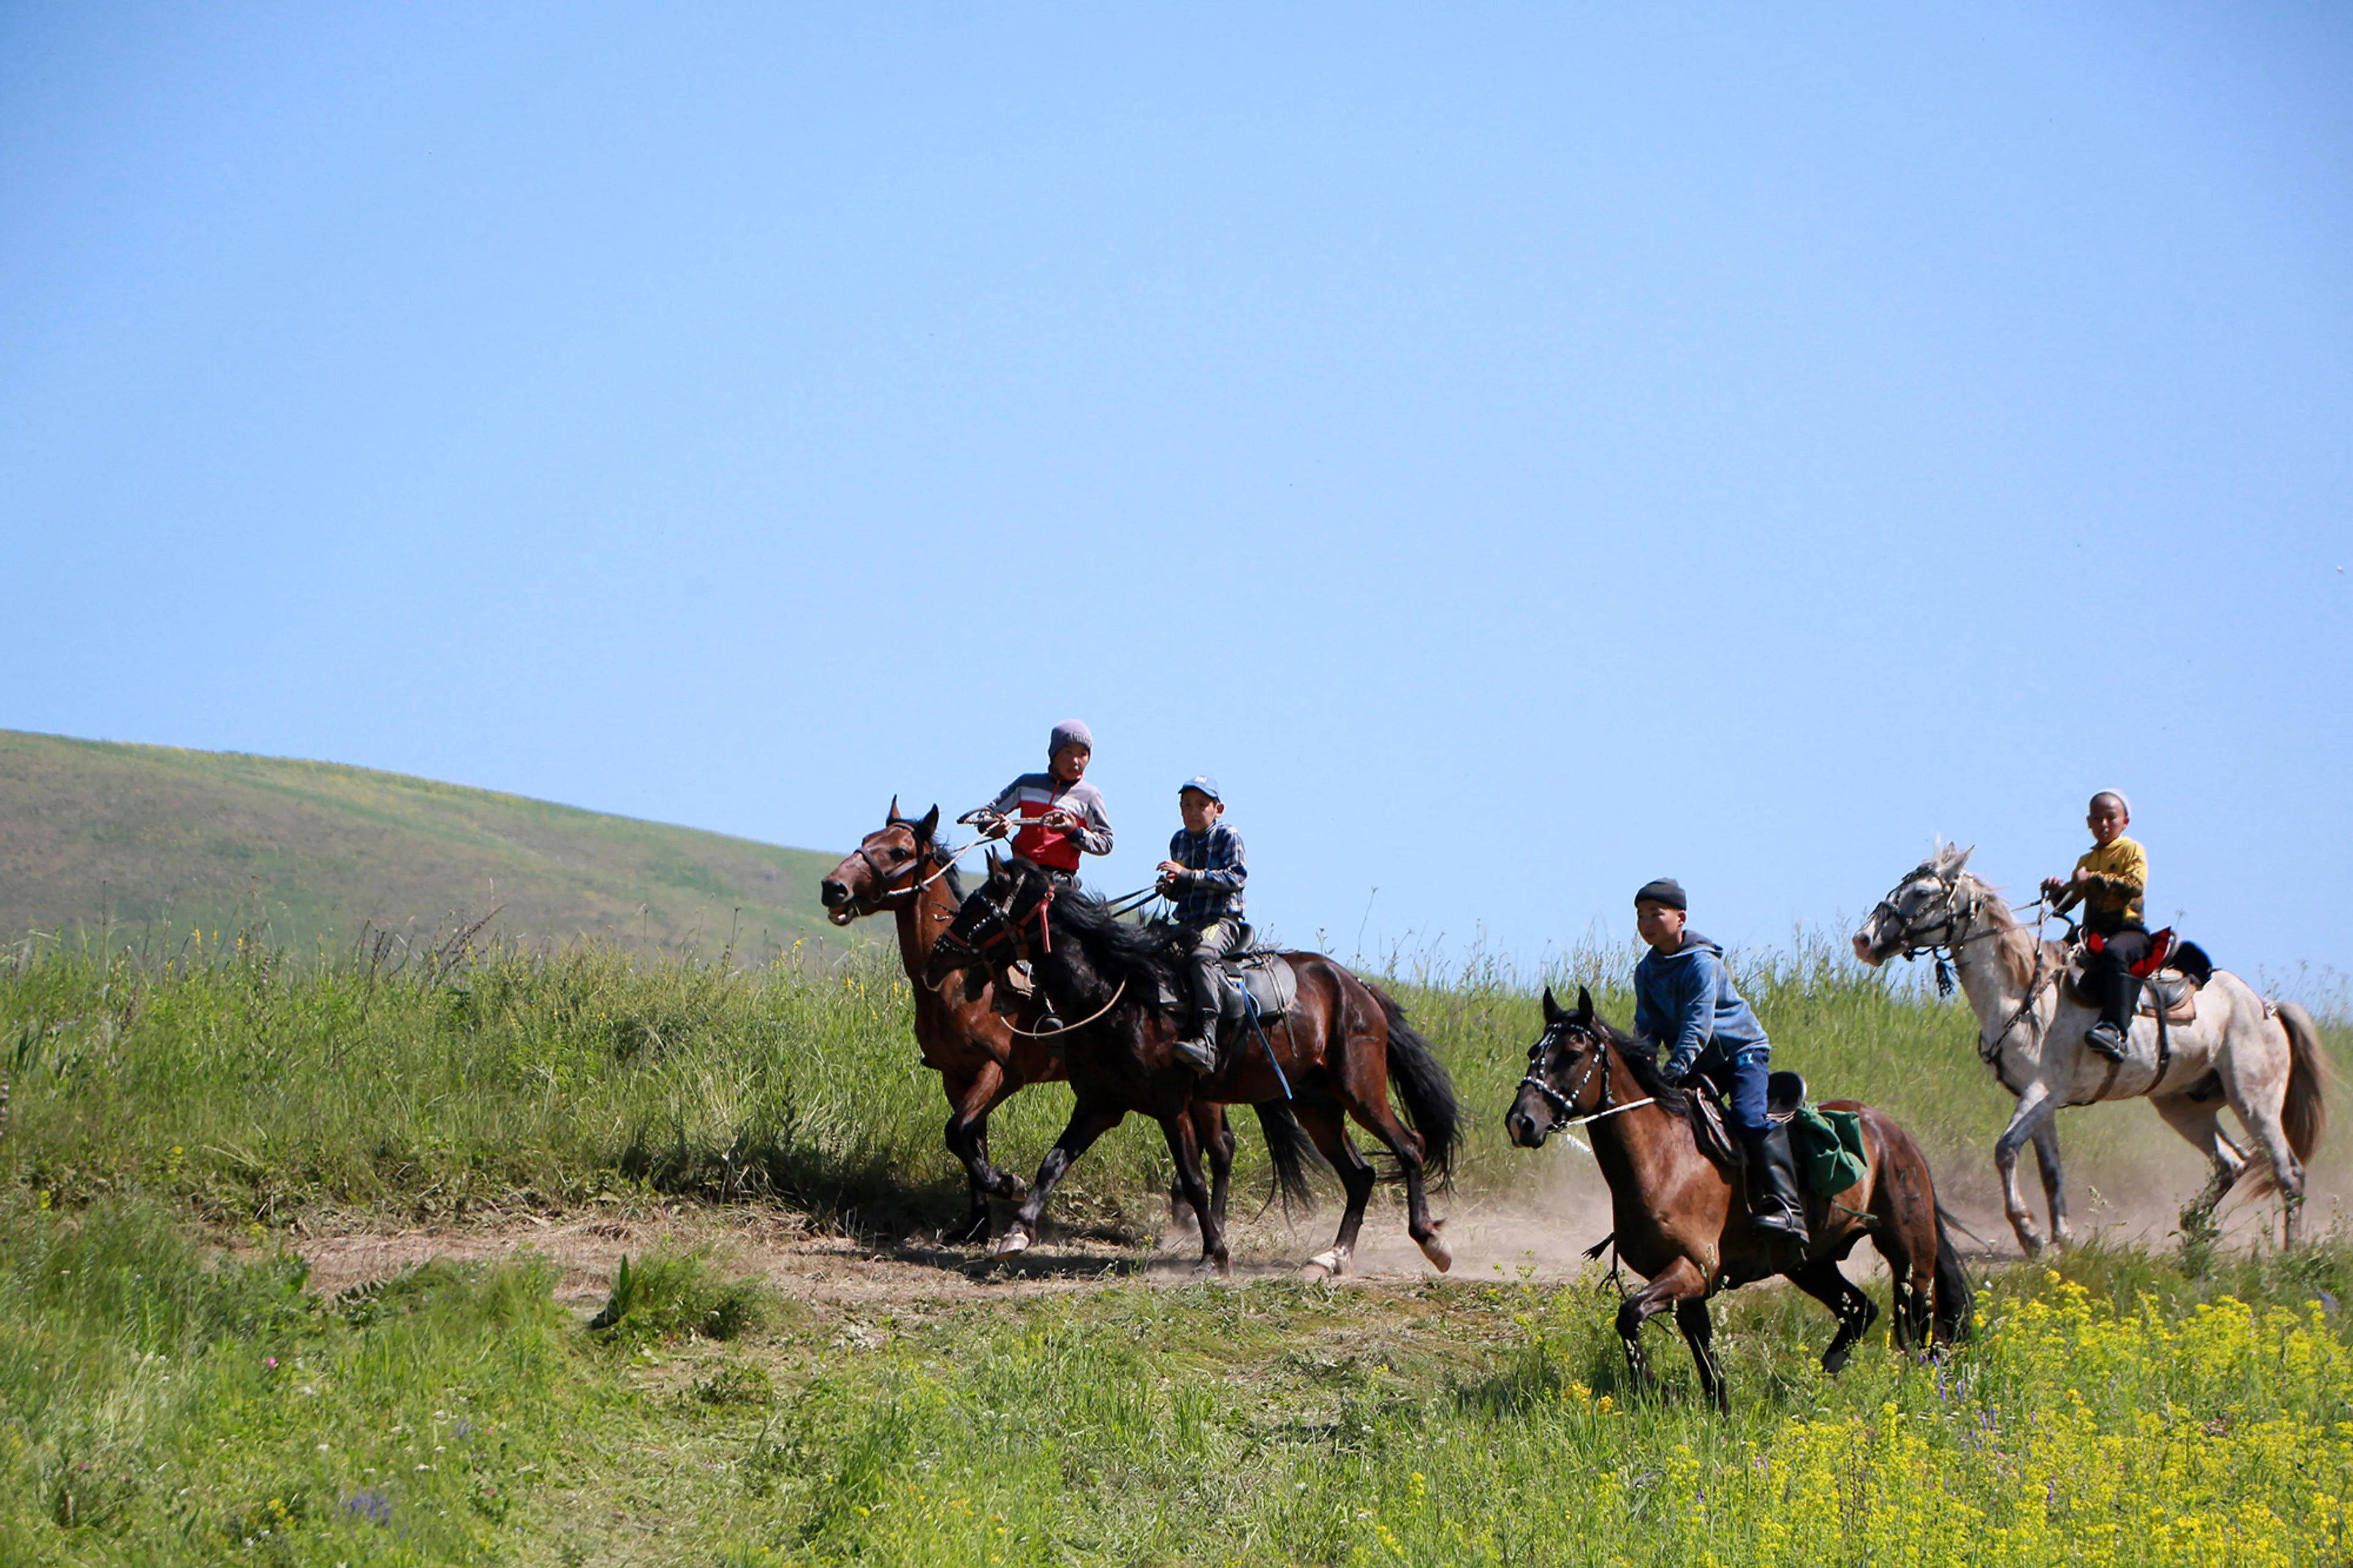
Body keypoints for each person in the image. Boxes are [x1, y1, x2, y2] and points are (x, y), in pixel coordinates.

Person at [1631, 878, 1807, 1242]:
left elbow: (1698, 1025)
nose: (1647, 923)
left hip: (1741, 1054)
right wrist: (1642, 1072)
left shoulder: (1700, 963)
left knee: (1747, 1118)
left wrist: (1673, 1071)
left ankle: (1788, 1209)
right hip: (1699, 1064)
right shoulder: (1645, 971)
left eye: (1656, 914)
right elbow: (1645, 1029)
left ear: (1681, 918)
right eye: (1641, 916)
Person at [2040, 790, 2148, 1063]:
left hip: (2127, 930)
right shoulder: (2085, 860)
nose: (2103, 825)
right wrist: (2057, 890)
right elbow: (2066, 904)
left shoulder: (2132, 850)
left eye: (2111, 818)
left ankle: (2114, 1029)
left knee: (2114, 954)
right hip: (2093, 931)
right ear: (2089, 823)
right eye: (2097, 819)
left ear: (2125, 821)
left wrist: (2093, 878)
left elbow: (2135, 887)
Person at [1156, 776, 1247, 1074]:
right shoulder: (1178, 840)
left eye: (1201, 805)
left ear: (1218, 809)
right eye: (1187, 805)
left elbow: (1236, 877)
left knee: (1201, 957)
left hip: (1221, 920)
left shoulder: (1227, 836)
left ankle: (1207, 1039)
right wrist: (1171, 887)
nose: (1193, 811)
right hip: (1187, 922)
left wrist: (1188, 875)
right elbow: (1182, 890)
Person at [974, 720, 1114, 884]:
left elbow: (1106, 842)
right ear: (1054, 754)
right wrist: (994, 827)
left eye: (1083, 754)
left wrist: (1073, 831)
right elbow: (985, 816)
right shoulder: (1026, 784)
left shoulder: (1089, 796)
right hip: (1021, 875)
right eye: (1068, 752)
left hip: (1060, 882)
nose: (1075, 761)